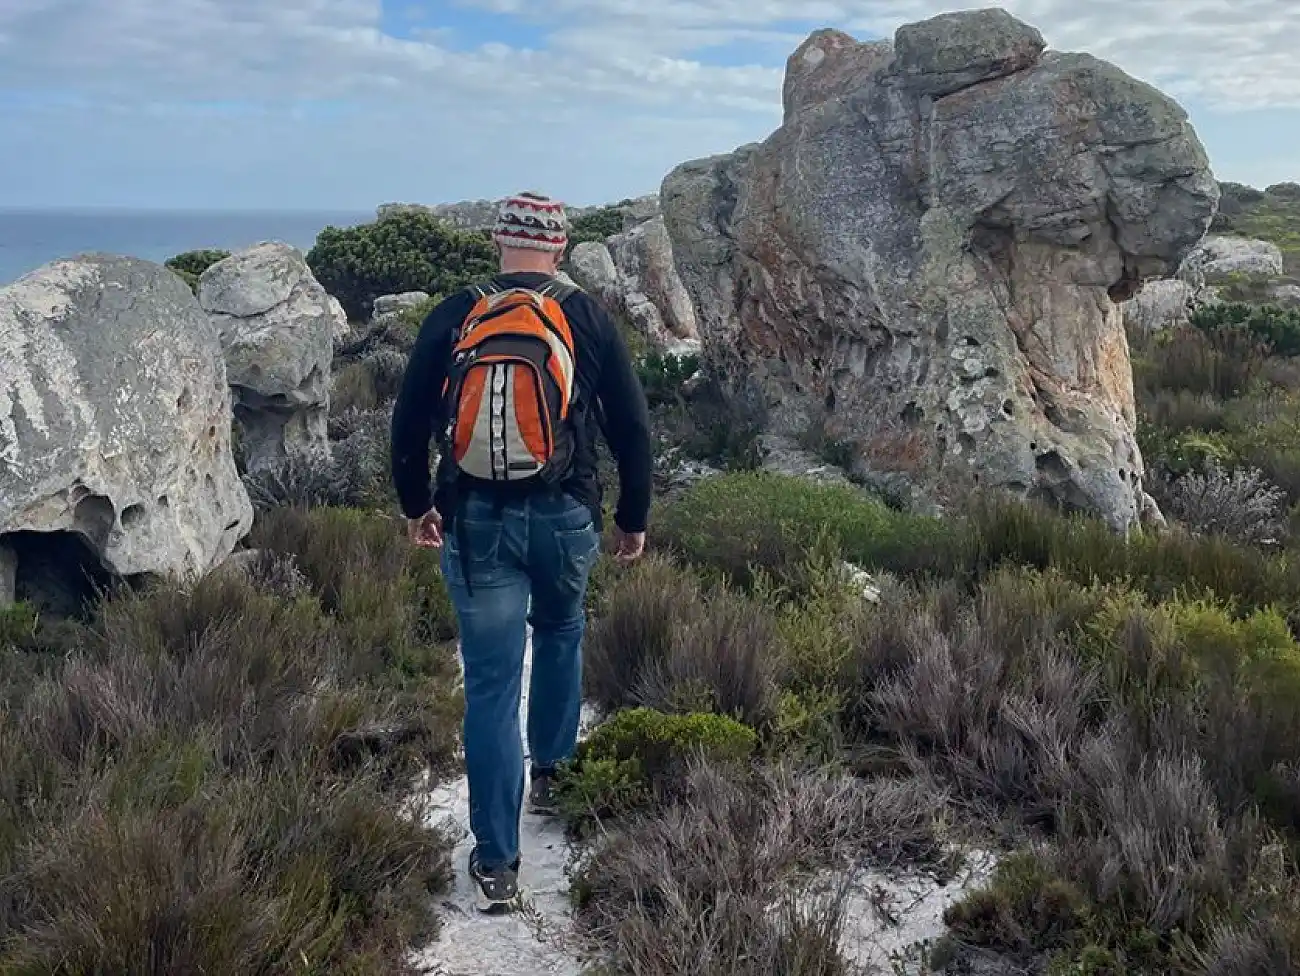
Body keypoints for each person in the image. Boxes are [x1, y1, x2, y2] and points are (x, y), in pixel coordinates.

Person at [389, 190, 653, 912]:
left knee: (491, 685)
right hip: (566, 515)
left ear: (497, 244)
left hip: (475, 521)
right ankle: (555, 772)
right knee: (563, 627)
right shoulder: (586, 315)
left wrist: (418, 505)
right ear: (560, 248)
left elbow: (409, 421)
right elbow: (631, 427)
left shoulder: (456, 312)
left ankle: (498, 864)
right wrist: (632, 517)